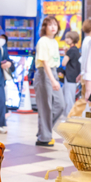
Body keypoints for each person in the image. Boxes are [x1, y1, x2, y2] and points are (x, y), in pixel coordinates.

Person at [34, 15, 64, 146]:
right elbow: (44, 62)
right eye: (50, 25)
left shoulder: (55, 42)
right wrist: (53, 80)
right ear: (45, 27)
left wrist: (55, 77)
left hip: (53, 73)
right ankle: (44, 138)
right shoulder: (43, 41)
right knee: (46, 106)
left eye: (55, 25)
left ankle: (43, 130)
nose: (53, 27)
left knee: (60, 105)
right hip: (44, 74)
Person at [78, 18, 91, 106]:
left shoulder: (85, 40)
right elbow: (88, 60)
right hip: (88, 76)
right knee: (88, 103)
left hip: (84, 74)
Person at [61, 31, 81, 117]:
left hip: (69, 77)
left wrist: (65, 54)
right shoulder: (76, 50)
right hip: (75, 76)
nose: (66, 39)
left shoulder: (70, 51)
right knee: (69, 97)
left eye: (68, 38)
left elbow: (63, 63)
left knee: (68, 99)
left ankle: (68, 117)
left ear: (73, 39)